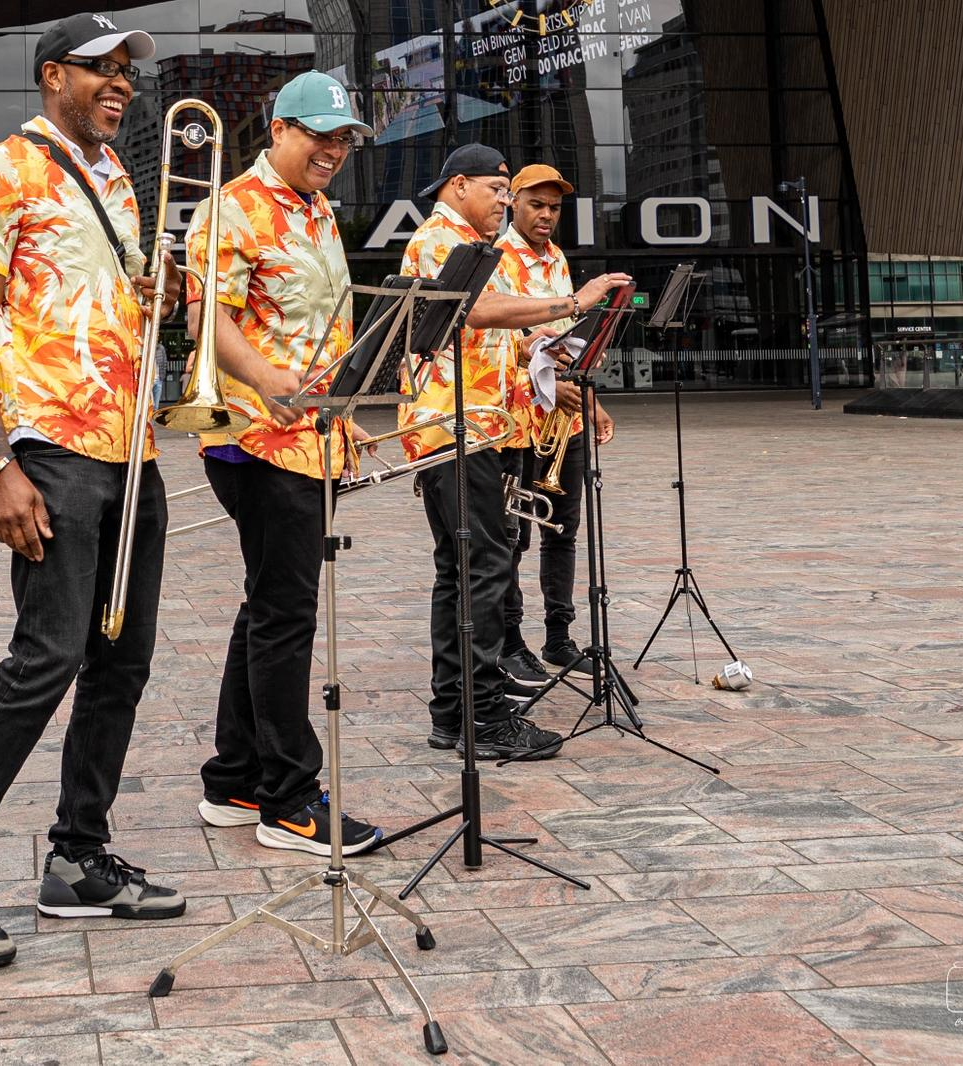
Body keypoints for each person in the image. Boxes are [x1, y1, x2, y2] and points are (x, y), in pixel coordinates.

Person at [0, 11, 184, 969]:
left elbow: (108, 308)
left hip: (131, 449)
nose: (122, 85)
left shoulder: (118, 182)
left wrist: (160, 293)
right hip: (49, 448)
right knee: (46, 657)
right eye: (102, 70)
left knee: (122, 663)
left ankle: (80, 858)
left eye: (129, 74)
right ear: (54, 75)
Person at [183, 72, 383, 857]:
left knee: (266, 606)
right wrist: (270, 382)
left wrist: (347, 418)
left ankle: (235, 779)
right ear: (277, 129)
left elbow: (326, 333)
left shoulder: (319, 211)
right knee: (286, 616)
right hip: (254, 438)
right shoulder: (233, 206)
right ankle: (290, 801)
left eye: (344, 140)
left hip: (311, 437)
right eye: (319, 135)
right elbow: (206, 320)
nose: (333, 150)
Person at [399, 145, 629, 760]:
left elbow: (501, 336)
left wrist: (561, 352)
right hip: (457, 425)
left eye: (508, 192)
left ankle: (454, 711)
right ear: (457, 186)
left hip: (480, 423)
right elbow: (475, 314)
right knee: (484, 568)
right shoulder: (441, 239)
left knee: (462, 569)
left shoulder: (473, 244)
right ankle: (482, 714)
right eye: (497, 190)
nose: (504, 201)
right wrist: (575, 304)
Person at [498, 164, 627, 682]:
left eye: (554, 207)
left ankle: (558, 636)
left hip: (561, 419)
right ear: (513, 201)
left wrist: (588, 399)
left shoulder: (557, 259)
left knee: (563, 531)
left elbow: (567, 339)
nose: (547, 215)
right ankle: (508, 641)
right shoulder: (496, 259)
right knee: (510, 537)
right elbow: (506, 340)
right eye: (537, 205)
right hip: (513, 419)